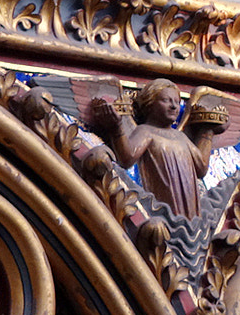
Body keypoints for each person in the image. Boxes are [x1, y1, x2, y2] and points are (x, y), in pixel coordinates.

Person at [87, 79, 227, 218]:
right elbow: (127, 158)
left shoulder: (181, 137)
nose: (174, 106)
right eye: (166, 100)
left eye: (177, 102)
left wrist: (208, 132)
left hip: (190, 208)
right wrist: (116, 128)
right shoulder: (146, 131)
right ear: (150, 104)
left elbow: (201, 168)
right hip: (163, 205)